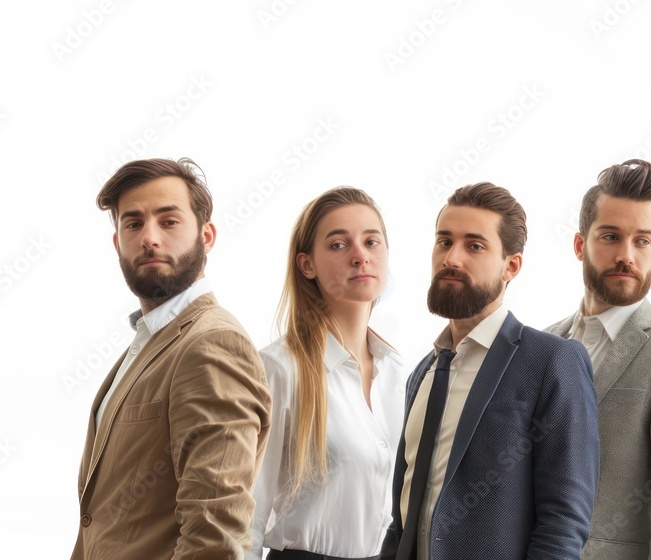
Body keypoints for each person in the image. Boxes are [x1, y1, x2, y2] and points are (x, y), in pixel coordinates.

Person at [380, 182, 599, 560]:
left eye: (474, 246)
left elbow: (563, 521)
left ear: (510, 266)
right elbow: (404, 515)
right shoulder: (423, 373)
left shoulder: (551, 361)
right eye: (444, 241)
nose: (452, 257)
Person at [70, 157, 272, 560]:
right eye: (133, 223)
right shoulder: (149, 342)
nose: (149, 237)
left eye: (169, 221)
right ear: (117, 243)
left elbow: (215, 533)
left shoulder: (212, 344)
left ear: (207, 235)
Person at [544, 159, 651, 560]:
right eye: (611, 236)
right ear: (580, 244)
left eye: (642, 241)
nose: (627, 255)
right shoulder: (544, 344)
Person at [248, 187, 407, 560]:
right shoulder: (279, 368)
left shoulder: (399, 373)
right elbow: (247, 512)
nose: (360, 256)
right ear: (307, 265)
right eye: (338, 245)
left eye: (372, 242)